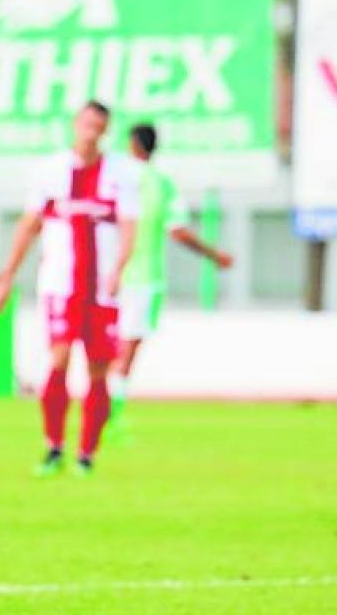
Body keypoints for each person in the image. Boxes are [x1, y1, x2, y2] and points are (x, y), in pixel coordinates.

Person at [0, 101, 136, 475]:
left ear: (106, 130)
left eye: (99, 125)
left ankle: (87, 454)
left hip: (102, 285)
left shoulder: (119, 173)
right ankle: (54, 448)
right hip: (60, 283)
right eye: (87, 123)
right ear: (76, 124)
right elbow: (29, 225)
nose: (92, 130)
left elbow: (128, 227)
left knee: (99, 368)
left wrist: (119, 268)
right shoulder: (50, 171)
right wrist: (7, 276)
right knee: (57, 359)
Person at [108, 123, 232, 439]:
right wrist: (213, 254)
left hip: (108, 272)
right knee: (127, 350)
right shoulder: (160, 183)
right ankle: (109, 420)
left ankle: (103, 416)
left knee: (111, 349)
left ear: (132, 144)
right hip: (142, 276)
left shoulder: (114, 175)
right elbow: (177, 230)